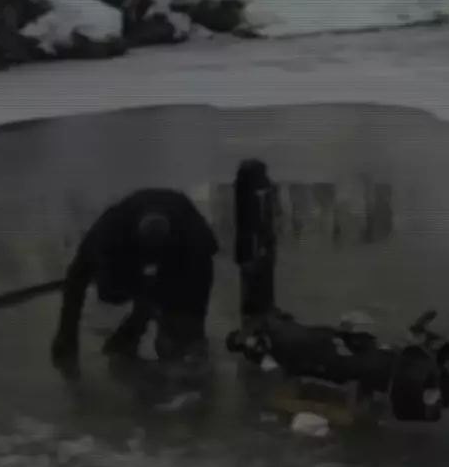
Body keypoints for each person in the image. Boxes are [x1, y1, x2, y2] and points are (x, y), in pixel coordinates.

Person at [51, 188, 219, 379]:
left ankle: (148, 329)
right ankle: (134, 328)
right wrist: (66, 332)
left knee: (182, 329)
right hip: (126, 248)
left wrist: (194, 321)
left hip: (178, 249)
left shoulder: (191, 234)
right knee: (112, 291)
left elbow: (204, 272)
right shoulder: (110, 230)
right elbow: (79, 277)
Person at [234, 159, 279, 330]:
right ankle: (259, 317)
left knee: (253, 287)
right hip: (255, 250)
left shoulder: (246, 191)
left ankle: (257, 316)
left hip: (252, 250)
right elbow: (256, 225)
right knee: (257, 286)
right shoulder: (253, 195)